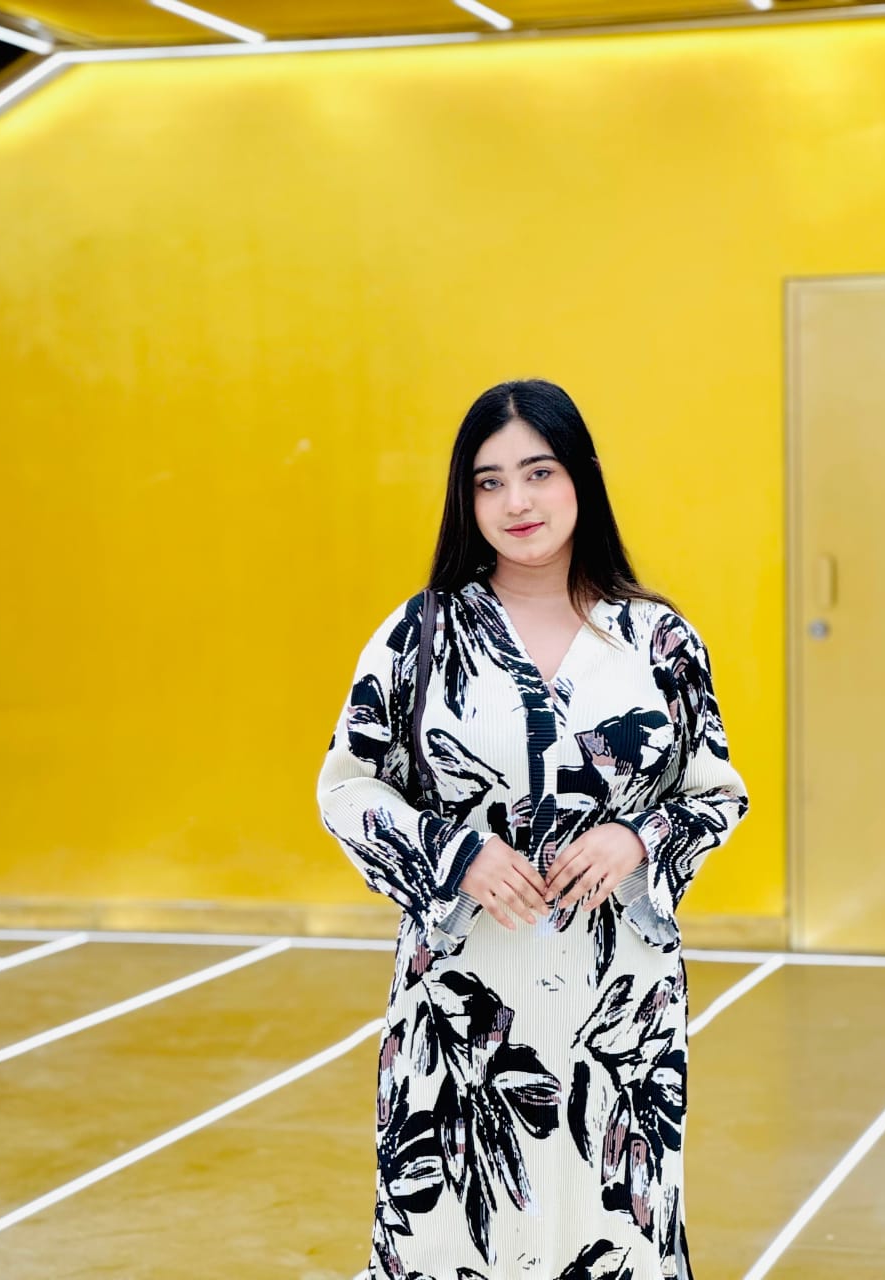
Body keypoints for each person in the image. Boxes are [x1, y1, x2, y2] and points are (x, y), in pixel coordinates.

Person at [316, 378, 750, 1280]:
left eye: (539, 472)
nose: (516, 501)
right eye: (489, 481)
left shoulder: (659, 640)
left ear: (580, 477)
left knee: (615, 1228)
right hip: (464, 1002)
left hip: (619, 1007)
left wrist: (637, 839)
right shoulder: (420, 636)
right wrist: (455, 853)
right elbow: (347, 787)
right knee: (450, 1233)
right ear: (465, 498)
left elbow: (715, 793)